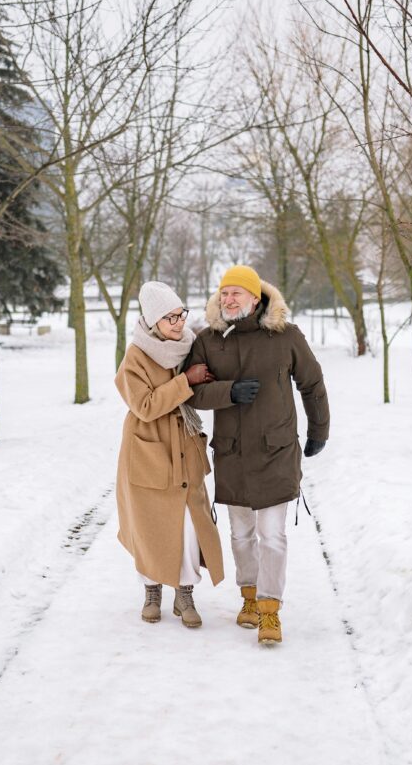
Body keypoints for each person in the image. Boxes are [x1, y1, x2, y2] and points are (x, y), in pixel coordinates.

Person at [186, 265, 329, 645]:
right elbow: (192, 393)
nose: (228, 299)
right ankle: (248, 597)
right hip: (232, 454)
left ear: (255, 297)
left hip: (276, 451)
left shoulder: (286, 336)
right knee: (241, 536)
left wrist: (319, 431)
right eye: (224, 293)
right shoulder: (209, 341)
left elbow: (312, 384)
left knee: (273, 536)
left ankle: (270, 610)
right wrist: (228, 393)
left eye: (237, 293)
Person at [115, 281, 224, 628]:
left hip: (184, 444)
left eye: (180, 315)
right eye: (169, 318)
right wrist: (186, 382)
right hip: (148, 448)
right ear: (151, 321)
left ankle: (185, 590)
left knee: (191, 524)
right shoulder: (135, 356)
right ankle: (152, 590)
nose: (178, 323)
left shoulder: (190, 346)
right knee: (149, 524)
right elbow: (145, 406)